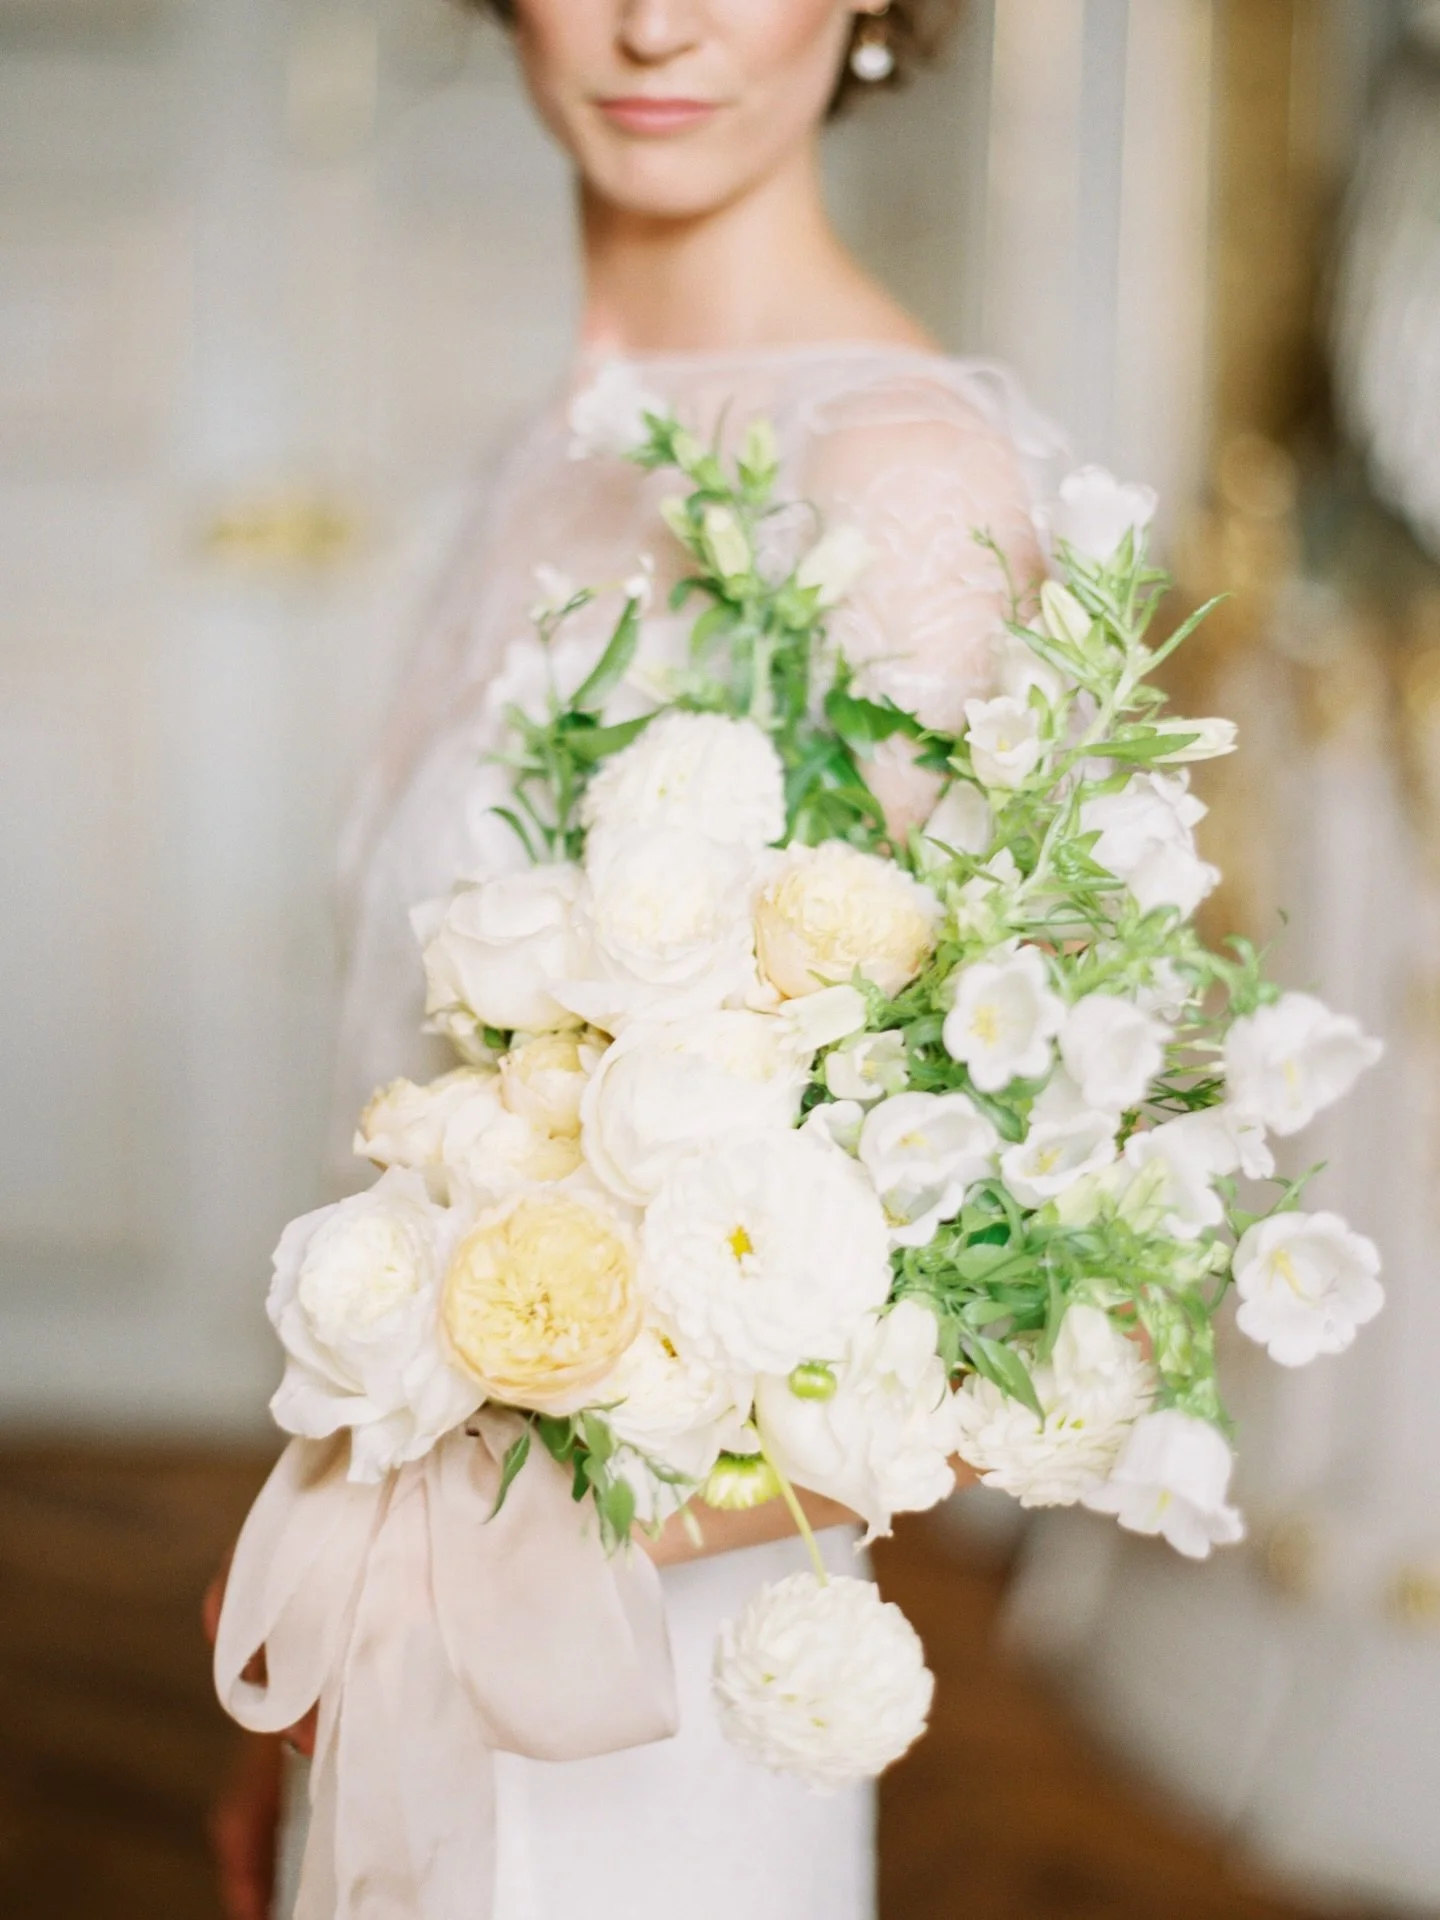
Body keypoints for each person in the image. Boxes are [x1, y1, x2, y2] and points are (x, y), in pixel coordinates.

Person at [207, 3, 1064, 1914]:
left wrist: (423, 1565)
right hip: (386, 1644)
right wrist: (305, 1670)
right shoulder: (558, 437)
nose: (656, 20)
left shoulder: (905, 486)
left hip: (651, 1698)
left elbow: (984, 1284)